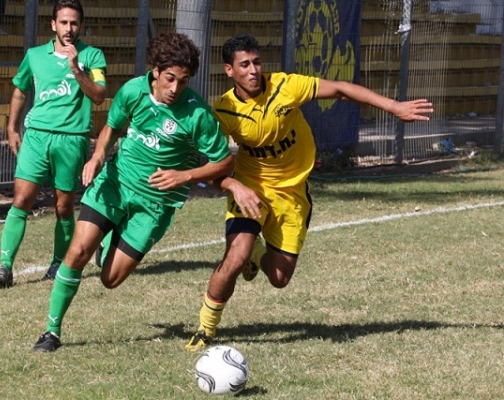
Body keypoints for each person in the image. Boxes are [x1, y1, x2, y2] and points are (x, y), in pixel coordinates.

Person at [184, 33, 434, 351]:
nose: (253, 70)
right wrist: (235, 185)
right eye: (244, 64)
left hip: (292, 193)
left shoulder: (285, 86)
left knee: (279, 278)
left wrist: (393, 106)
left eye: (257, 62)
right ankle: (205, 329)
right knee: (234, 258)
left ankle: (257, 253)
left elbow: (341, 89)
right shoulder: (224, 111)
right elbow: (211, 168)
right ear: (229, 70)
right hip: (251, 190)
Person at [31, 31, 235, 352]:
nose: (175, 88)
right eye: (170, 79)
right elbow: (112, 126)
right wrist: (98, 156)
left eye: (183, 81)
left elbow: (223, 161)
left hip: (154, 204)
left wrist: (185, 176)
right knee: (77, 252)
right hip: (115, 184)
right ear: (156, 71)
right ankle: (51, 332)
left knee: (110, 279)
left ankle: (110, 239)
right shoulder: (133, 91)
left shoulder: (197, 114)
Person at [0, 0, 106, 288]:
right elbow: (20, 90)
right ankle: (4, 267)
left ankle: (57, 263)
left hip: (72, 139)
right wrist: (12, 127)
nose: (69, 28)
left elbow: (99, 95)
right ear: (53, 25)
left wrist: (76, 68)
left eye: (74, 23)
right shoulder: (35, 55)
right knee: (21, 201)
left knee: (63, 207)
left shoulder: (92, 56)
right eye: (63, 22)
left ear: (81, 25)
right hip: (36, 136)